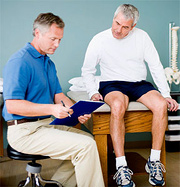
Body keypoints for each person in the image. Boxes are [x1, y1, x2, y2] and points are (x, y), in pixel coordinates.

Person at [81, 4, 179, 187]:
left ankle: (154, 161)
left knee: (160, 105)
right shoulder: (99, 39)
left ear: (133, 26)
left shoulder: (142, 37)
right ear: (113, 18)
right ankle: (121, 166)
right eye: (116, 23)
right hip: (112, 83)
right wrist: (93, 92)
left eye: (125, 27)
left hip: (138, 83)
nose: (118, 30)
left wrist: (166, 94)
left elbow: (156, 66)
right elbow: (87, 70)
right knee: (118, 105)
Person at [3, 13, 105, 187]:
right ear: (37, 33)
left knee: (90, 143)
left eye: (60, 40)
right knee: (85, 146)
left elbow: (60, 96)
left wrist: (75, 111)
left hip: (45, 125)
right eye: (53, 39)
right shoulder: (20, 61)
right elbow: (12, 105)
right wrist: (51, 109)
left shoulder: (48, 63)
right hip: (24, 132)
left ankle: (60, 184)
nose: (57, 44)